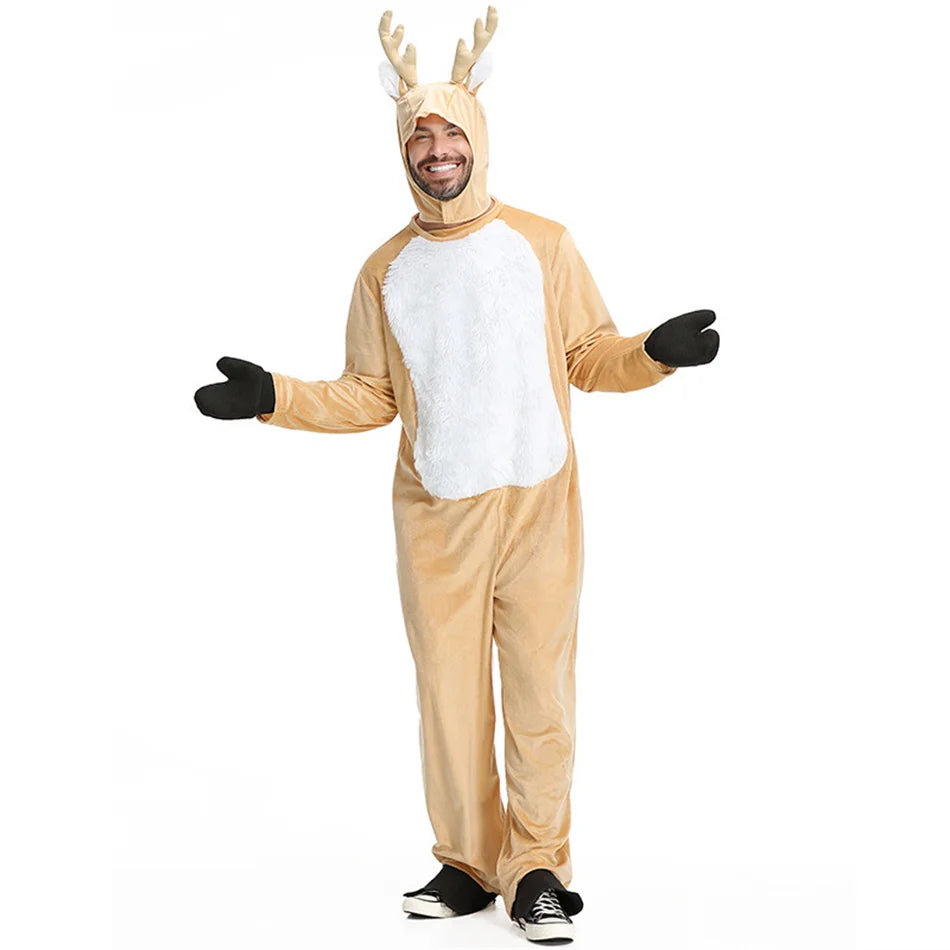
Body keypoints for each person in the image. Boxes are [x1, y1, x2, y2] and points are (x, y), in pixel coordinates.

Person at [194, 7, 719, 943]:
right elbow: (368, 394)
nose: (436, 152)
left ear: (477, 136)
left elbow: (589, 355)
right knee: (447, 701)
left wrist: (654, 353)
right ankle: (469, 865)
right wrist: (274, 396)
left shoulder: (544, 245)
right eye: (419, 138)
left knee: (540, 697)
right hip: (435, 519)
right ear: (402, 149)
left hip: (539, 510)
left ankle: (538, 868)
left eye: (450, 134)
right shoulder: (384, 271)